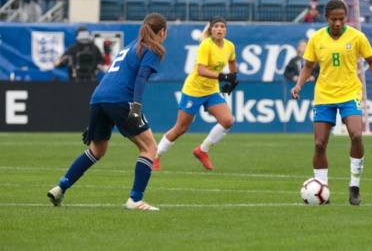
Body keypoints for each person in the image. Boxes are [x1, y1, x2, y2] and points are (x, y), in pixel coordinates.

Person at [47, 13, 168, 211]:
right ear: (162, 31)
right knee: (149, 148)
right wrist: (136, 106)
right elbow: (141, 77)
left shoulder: (131, 45)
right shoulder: (152, 48)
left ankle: (60, 187)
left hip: (99, 98)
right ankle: (135, 200)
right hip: (121, 99)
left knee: (97, 150)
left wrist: (94, 121)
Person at [291, 0, 372, 206]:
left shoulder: (357, 37)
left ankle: (354, 185)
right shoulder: (317, 39)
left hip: (349, 92)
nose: (338, 23)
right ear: (327, 19)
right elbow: (308, 66)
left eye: (341, 19)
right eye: (334, 19)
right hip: (324, 95)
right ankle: (322, 188)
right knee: (319, 144)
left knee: (356, 134)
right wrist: (299, 85)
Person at [154, 16, 238, 171]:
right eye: (216, 26)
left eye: (222, 26)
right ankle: (155, 156)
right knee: (180, 128)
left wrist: (233, 80)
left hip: (211, 90)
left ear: (226, 29)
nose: (220, 29)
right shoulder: (206, 45)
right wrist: (223, 76)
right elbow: (201, 70)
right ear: (211, 30)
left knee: (227, 121)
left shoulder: (229, 46)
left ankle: (202, 150)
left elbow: (232, 61)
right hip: (194, 90)